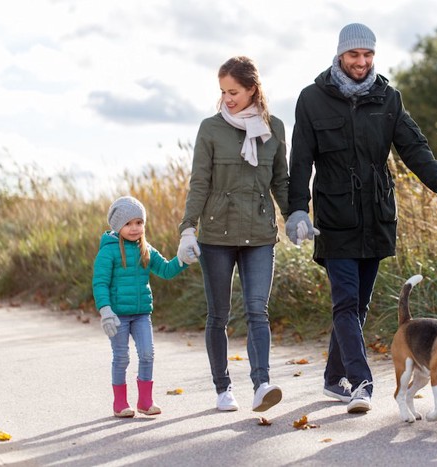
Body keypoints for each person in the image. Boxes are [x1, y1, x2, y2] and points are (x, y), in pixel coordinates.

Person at [286, 23, 437, 414]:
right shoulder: (312, 99)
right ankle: (361, 382)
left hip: (377, 218)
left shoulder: (389, 98)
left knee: (358, 305)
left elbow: (414, 148)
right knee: (346, 303)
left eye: (368, 55)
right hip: (335, 218)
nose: (362, 63)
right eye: (354, 56)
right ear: (340, 55)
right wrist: (296, 208)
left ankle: (334, 378)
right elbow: (299, 160)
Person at [176, 56, 288, 413]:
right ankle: (223, 388)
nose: (227, 98)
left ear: (253, 88)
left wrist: (297, 214)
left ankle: (262, 384)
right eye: (223, 92)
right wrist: (187, 229)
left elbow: (280, 182)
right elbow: (199, 183)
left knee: (257, 310)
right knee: (219, 315)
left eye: (234, 91)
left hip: (259, 234)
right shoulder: (211, 129)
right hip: (216, 236)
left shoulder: (275, 128)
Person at [93, 196, 188, 418]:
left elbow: (165, 270)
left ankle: (145, 402)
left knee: (147, 354)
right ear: (117, 225)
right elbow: (100, 283)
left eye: (139, 222)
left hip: (142, 313)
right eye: (128, 224)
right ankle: (120, 403)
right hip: (117, 315)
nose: (134, 228)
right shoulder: (108, 251)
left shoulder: (146, 249)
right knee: (122, 357)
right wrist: (105, 311)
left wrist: (182, 260)